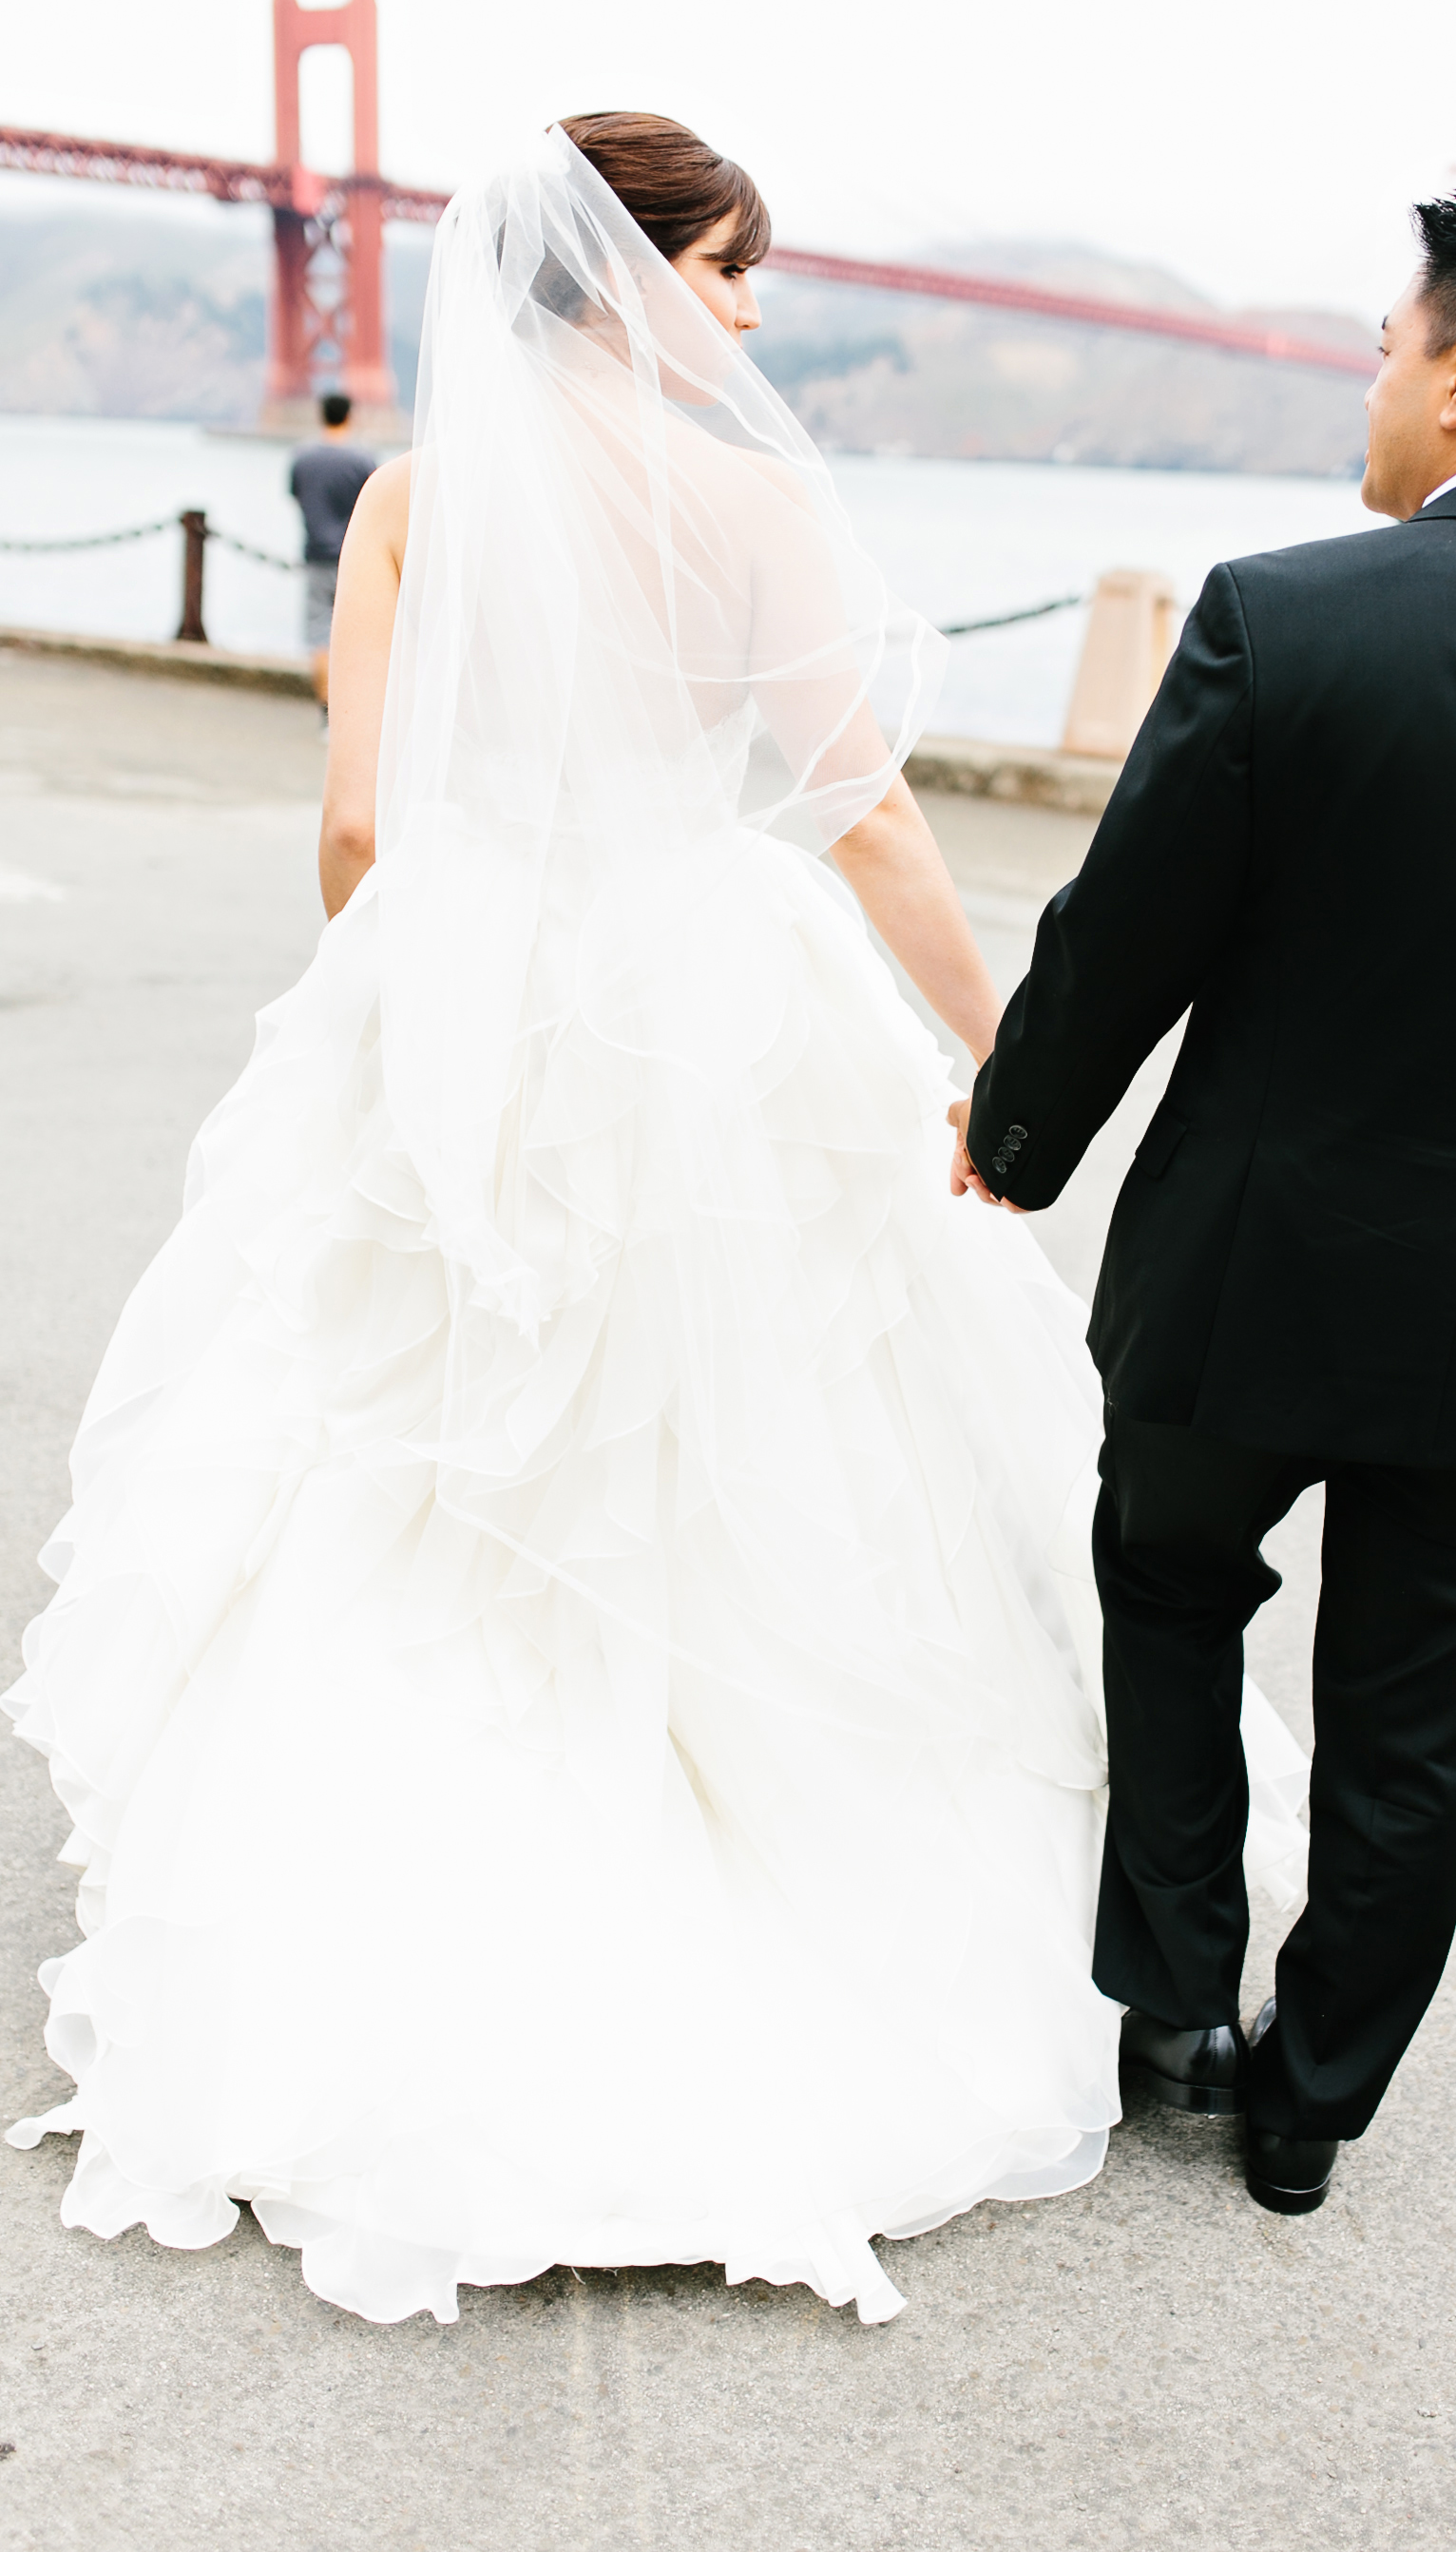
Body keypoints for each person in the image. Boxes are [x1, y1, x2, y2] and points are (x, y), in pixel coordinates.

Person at [5, 115, 1306, 2329]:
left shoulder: (417, 503)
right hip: (730, 999)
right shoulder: (751, 504)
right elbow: (874, 820)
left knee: (423, 1464)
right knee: (765, 1441)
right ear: (624, 283)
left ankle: (386, 1947)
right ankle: (765, 1906)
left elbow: (352, 824)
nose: (751, 313)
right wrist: (1013, 1061)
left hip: (478, 993)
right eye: (726, 271)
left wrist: (422, 1011)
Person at [957, 189, 1456, 2216]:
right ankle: (1310, 2105)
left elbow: (1128, 930)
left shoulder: (1282, 612)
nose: (1376, 387)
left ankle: (1172, 2004)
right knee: (1419, 1712)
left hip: (1244, 1271)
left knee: (1166, 1585)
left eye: (1384, 350)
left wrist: (1021, 1128)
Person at [290, 392, 377, 715]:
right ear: (349, 415)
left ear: (321, 415)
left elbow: (297, 497)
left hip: (316, 556)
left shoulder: (302, 458)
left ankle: (326, 713)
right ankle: (353, 710)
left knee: (318, 635)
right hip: (356, 560)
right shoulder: (363, 459)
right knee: (359, 634)